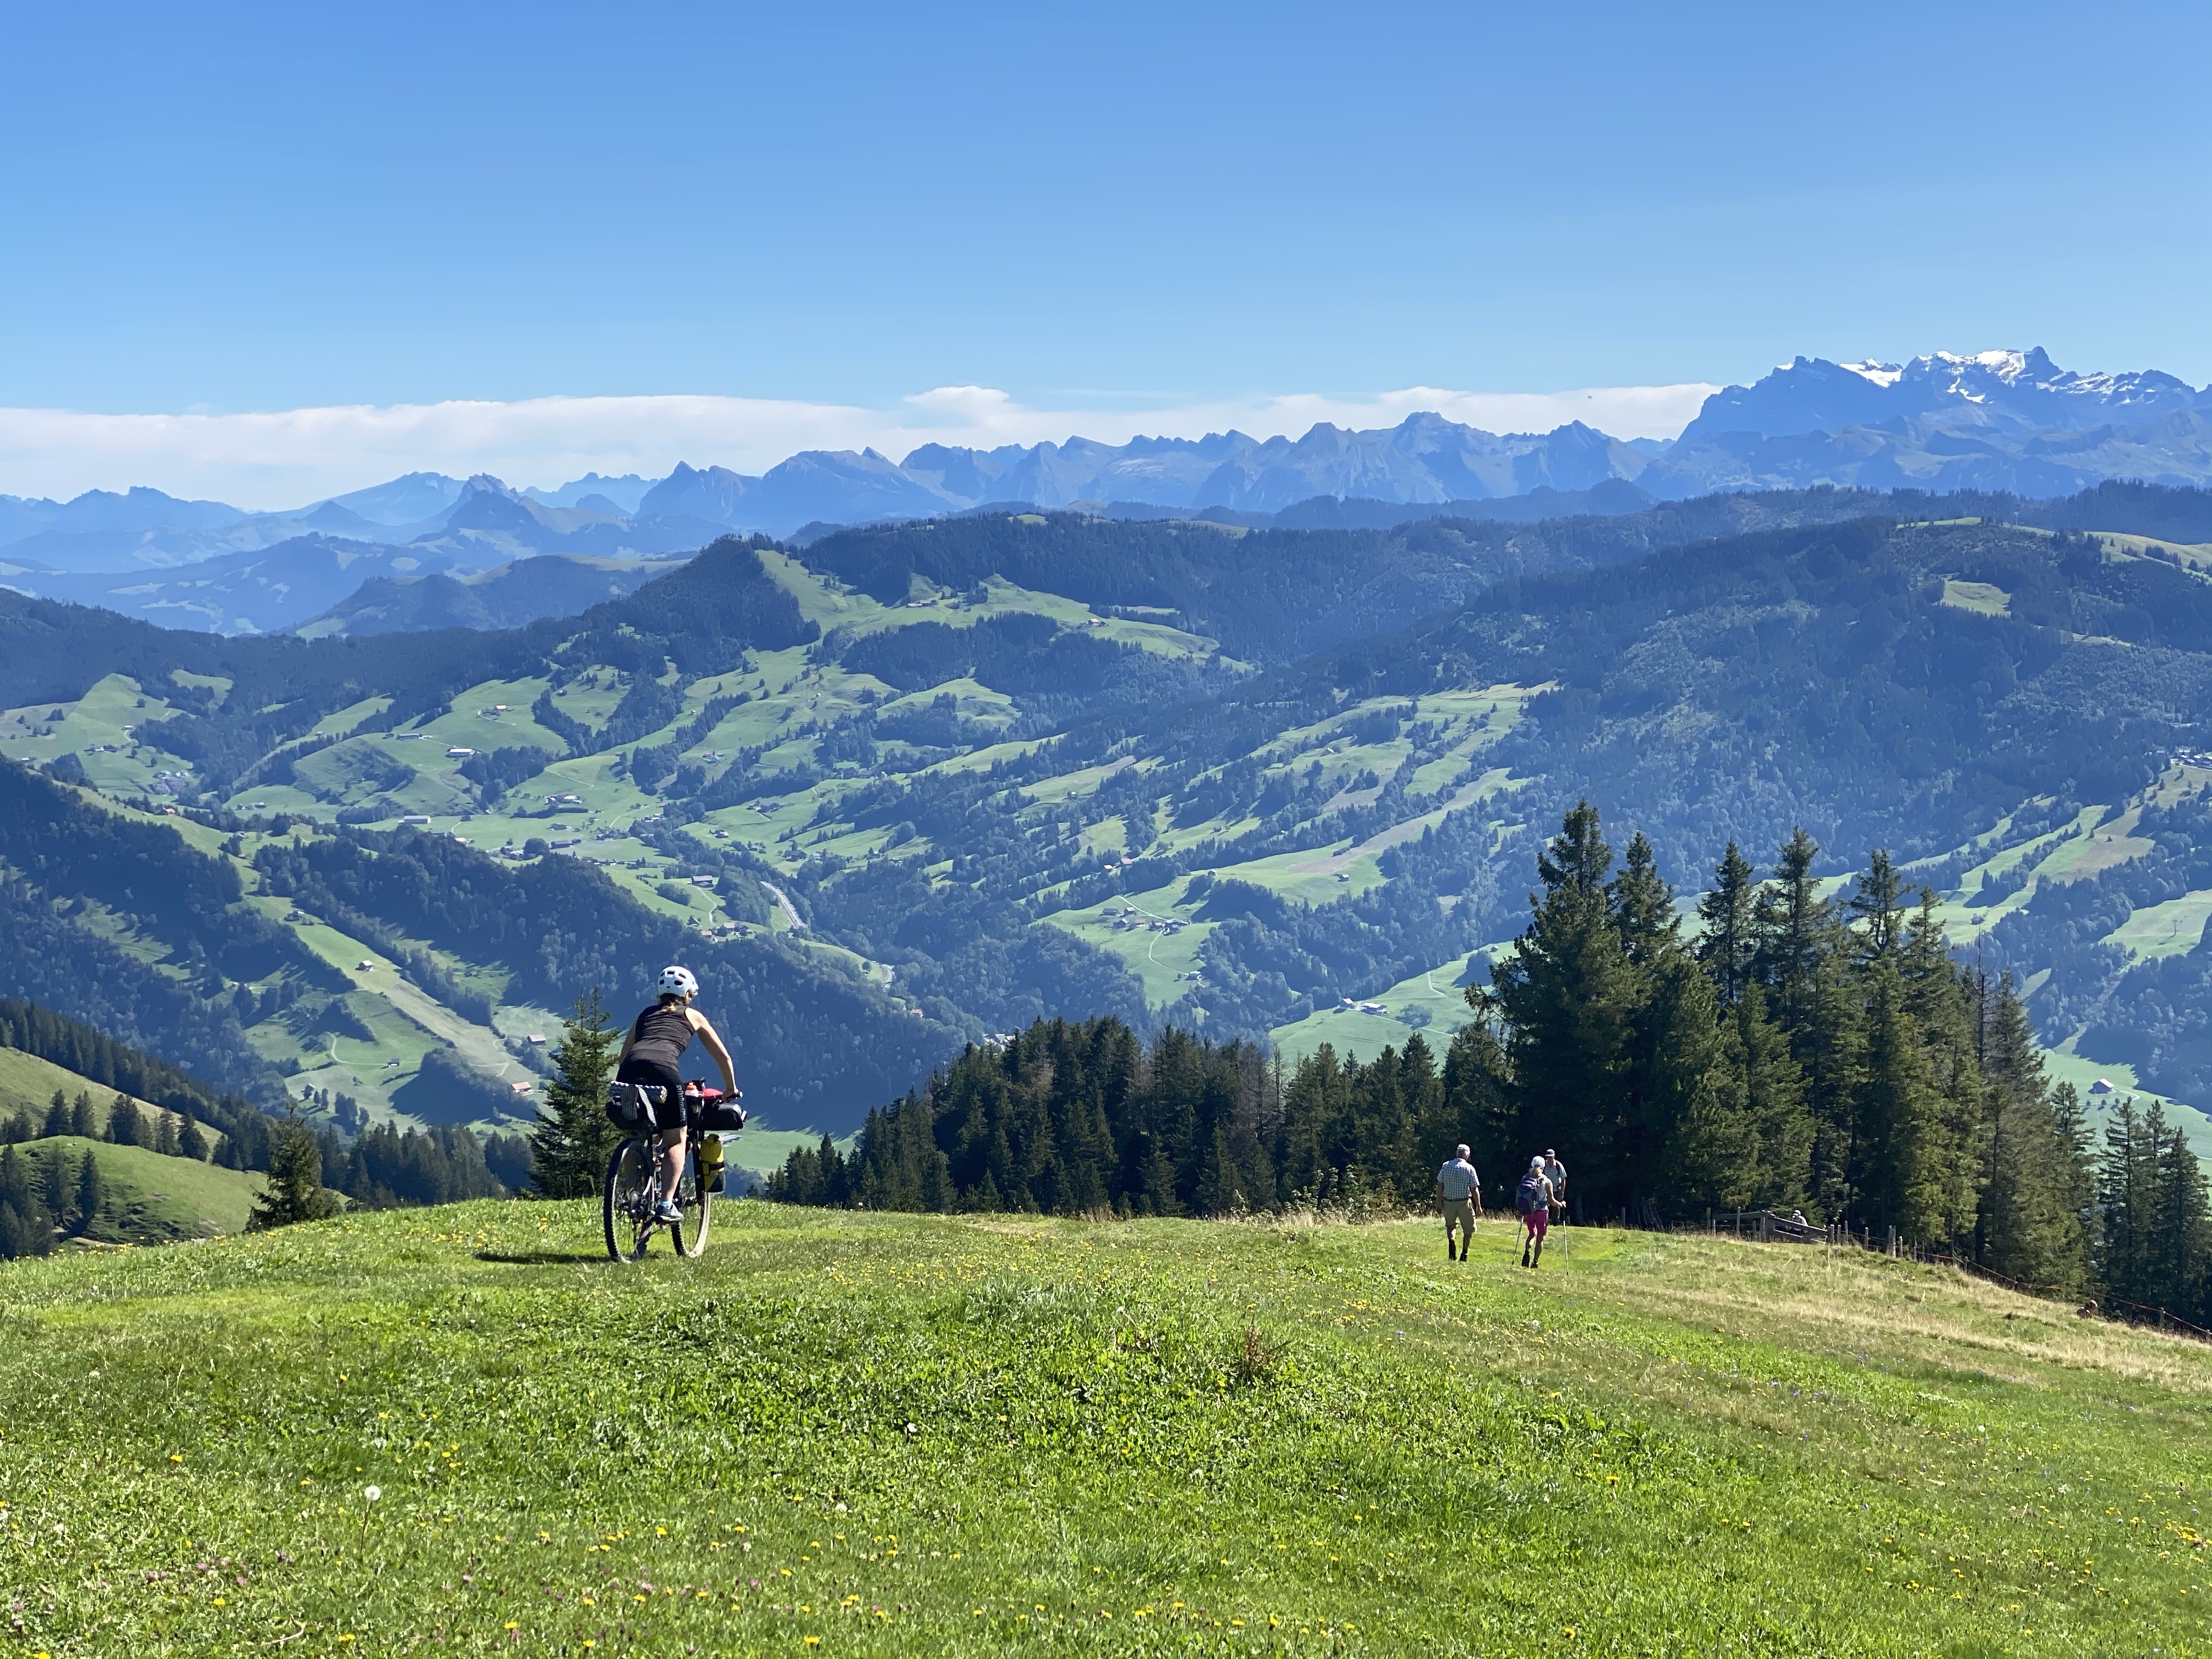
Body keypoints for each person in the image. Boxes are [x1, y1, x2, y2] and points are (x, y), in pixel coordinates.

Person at [617, 966, 737, 1224]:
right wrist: (730, 1089)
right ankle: (665, 1205)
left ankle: (632, 1192)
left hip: (629, 1071)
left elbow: (623, 1056)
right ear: (688, 994)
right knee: (676, 1139)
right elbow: (723, 1057)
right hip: (664, 1071)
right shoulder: (692, 1015)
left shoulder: (644, 1015)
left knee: (641, 1130)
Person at [1434, 1144, 1482, 1261]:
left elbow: (1440, 1186)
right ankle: (1464, 1254)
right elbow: (1474, 1189)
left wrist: (1438, 1203)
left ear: (1457, 1153)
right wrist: (1478, 1206)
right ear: (1467, 1155)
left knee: (1451, 1226)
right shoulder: (1469, 1168)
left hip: (1449, 1203)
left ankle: (1452, 1243)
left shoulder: (1446, 1166)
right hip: (1464, 1203)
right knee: (1468, 1230)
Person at [1516, 1155, 1555, 1268]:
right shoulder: (1546, 1181)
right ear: (1543, 1166)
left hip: (1529, 1211)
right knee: (1540, 1238)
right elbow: (1551, 1201)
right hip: (1541, 1212)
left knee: (1532, 1234)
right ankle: (1535, 1262)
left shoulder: (1525, 1178)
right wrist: (1561, 1204)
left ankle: (1527, 1253)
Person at [1542, 1148, 1568, 1224]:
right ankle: (1546, 1221)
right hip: (1546, 1189)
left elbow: (1563, 1178)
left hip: (1557, 1189)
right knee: (1545, 1205)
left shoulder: (1558, 1165)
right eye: (1548, 1157)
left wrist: (1562, 1191)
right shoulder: (1544, 1165)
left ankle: (1555, 1222)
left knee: (1556, 1206)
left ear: (1554, 1157)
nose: (1549, 1159)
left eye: (1551, 1157)